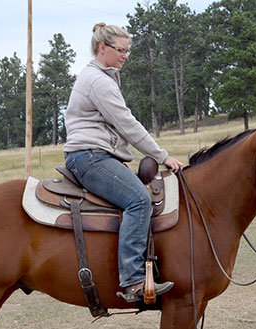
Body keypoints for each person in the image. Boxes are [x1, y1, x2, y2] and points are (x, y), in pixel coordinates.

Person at [64, 22, 184, 303]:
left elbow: (108, 127)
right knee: (139, 200)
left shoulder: (103, 76)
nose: (125, 56)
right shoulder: (98, 81)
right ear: (102, 47)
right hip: (89, 156)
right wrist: (162, 156)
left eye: (128, 51)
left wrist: (117, 157)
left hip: (96, 154)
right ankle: (133, 280)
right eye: (120, 50)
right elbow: (127, 124)